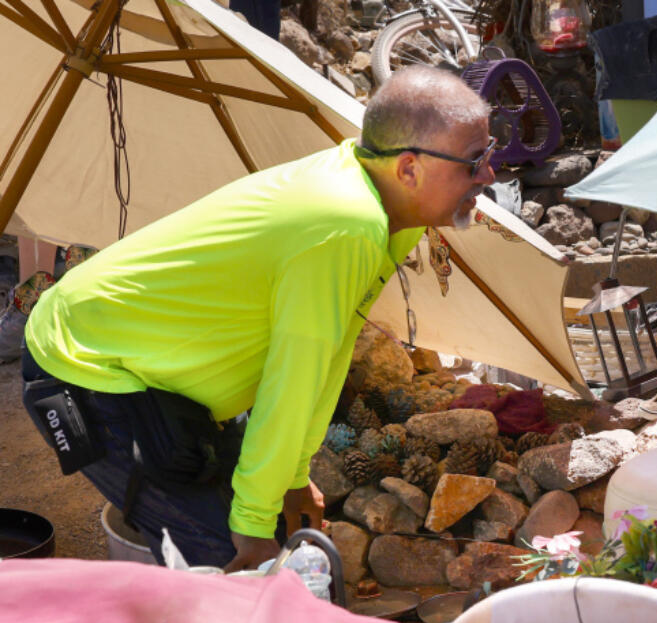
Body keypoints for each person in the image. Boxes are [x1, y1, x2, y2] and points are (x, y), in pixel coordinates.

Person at [21, 67, 496, 571]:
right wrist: (249, 526)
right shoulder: (346, 225)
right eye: (474, 162)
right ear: (408, 169)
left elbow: (327, 356)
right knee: (229, 563)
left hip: (152, 372)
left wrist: (291, 478)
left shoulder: (382, 208)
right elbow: (294, 378)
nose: (488, 175)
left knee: (263, 538)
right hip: (86, 365)